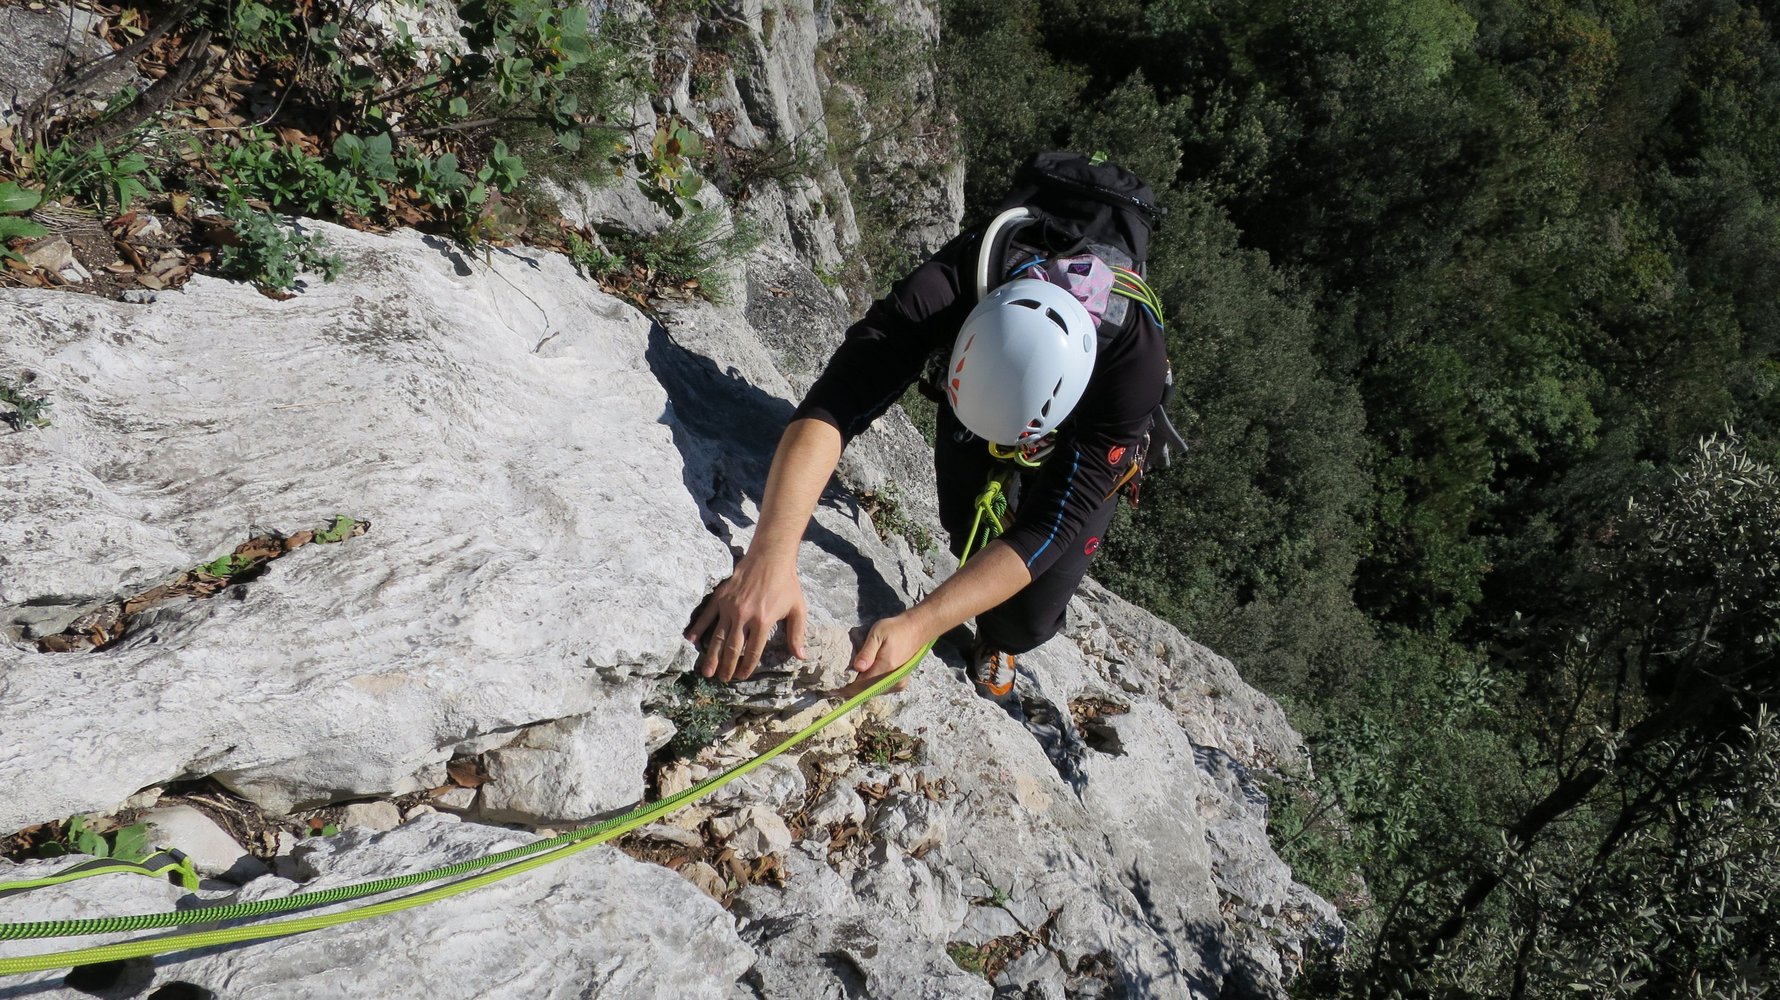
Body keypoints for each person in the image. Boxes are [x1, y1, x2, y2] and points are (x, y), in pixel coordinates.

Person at [684, 151, 1170, 700]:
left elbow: (1052, 526)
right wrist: (770, 555)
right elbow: (838, 401)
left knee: (1028, 616)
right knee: (963, 522)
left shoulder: (1133, 364)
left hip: (1086, 430)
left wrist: (922, 624)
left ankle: (1000, 640)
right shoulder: (954, 283)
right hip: (980, 390)